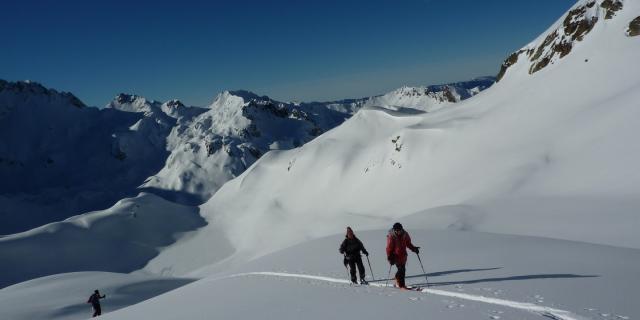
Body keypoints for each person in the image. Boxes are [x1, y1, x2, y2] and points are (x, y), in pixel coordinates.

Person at [386, 222, 419, 289]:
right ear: (394, 230)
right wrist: (390, 257)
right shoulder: (391, 236)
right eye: (397, 230)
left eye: (400, 230)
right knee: (402, 270)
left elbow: (408, 243)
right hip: (395, 256)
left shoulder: (405, 234)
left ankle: (397, 277)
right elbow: (389, 248)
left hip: (403, 255)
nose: (398, 232)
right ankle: (402, 286)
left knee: (402, 269)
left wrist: (413, 248)